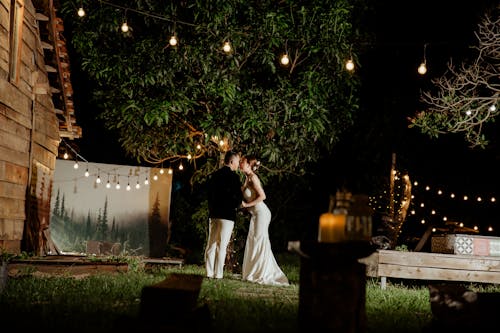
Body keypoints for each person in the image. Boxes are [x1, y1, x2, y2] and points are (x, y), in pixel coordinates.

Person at [240, 155, 289, 286]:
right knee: (253, 240)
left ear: (249, 165)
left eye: (243, 162)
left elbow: (263, 196)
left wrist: (246, 205)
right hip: (255, 214)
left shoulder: (254, 178)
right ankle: (253, 271)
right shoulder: (247, 178)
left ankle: (262, 273)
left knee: (259, 241)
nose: (241, 163)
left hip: (261, 213)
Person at [204, 150, 243, 279]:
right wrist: (236, 206)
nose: (238, 165)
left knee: (211, 244)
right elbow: (238, 197)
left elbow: (209, 194)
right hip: (228, 215)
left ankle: (209, 272)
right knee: (222, 245)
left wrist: (212, 207)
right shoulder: (235, 178)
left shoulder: (214, 175)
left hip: (214, 213)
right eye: (237, 162)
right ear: (231, 161)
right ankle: (218, 274)